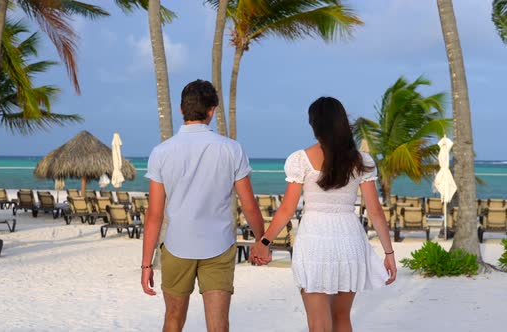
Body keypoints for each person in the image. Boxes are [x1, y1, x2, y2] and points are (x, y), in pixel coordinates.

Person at [252, 96, 397, 331]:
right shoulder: (361, 161)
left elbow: (288, 209)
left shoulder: (301, 160)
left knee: (319, 324)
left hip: (314, 241)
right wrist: (389, 253)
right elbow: (375, 212)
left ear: (314, 125)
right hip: (349, 241)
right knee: (342, 318)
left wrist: (264, 241)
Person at [141, 79, 266, 332]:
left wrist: (146, 265)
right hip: (218, 246)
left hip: (177, 247)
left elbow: (154, 215)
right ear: (212, 111)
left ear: (181, 110)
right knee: (218, 325)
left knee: (173, 320)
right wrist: (261, 241)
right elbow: (249, 206)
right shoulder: (232, 149)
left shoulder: (161, 152)